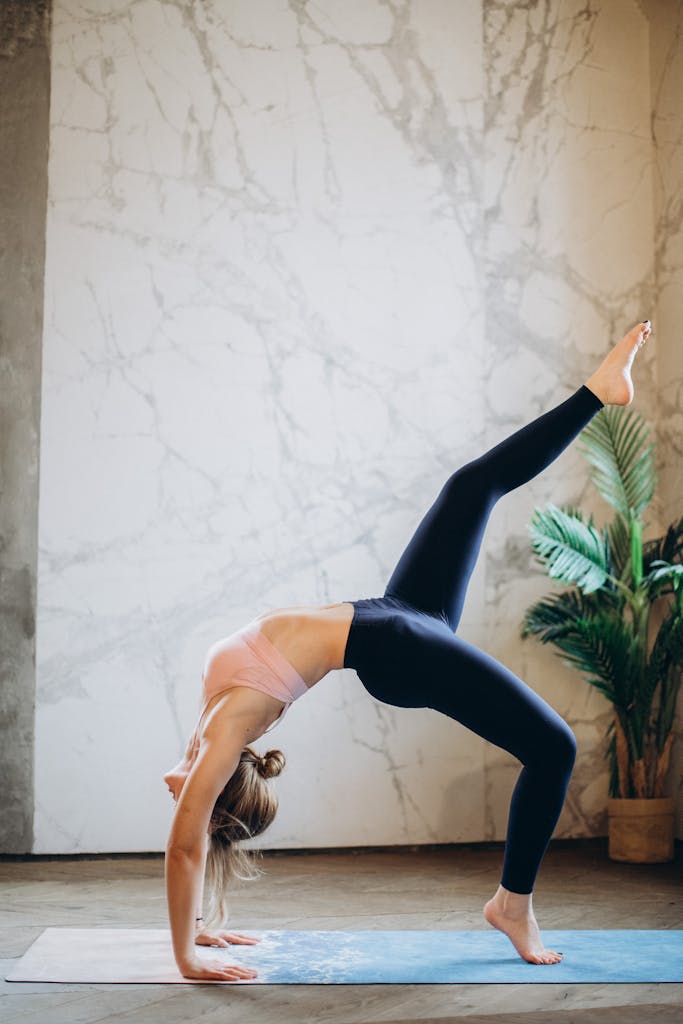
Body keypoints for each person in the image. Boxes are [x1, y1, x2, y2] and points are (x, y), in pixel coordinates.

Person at [164, 321, 652, 981]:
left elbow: (203, 826)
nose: (179, 786)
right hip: (393, 647)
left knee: (470, 485)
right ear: (219, 783)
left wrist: (204, 924)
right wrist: (186, 957)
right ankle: (512, 904)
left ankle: (596, 391)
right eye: (194, 788)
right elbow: (188, 843)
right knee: (554, 747)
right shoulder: (226, 728)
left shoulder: (210, 715)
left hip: (396, 613)